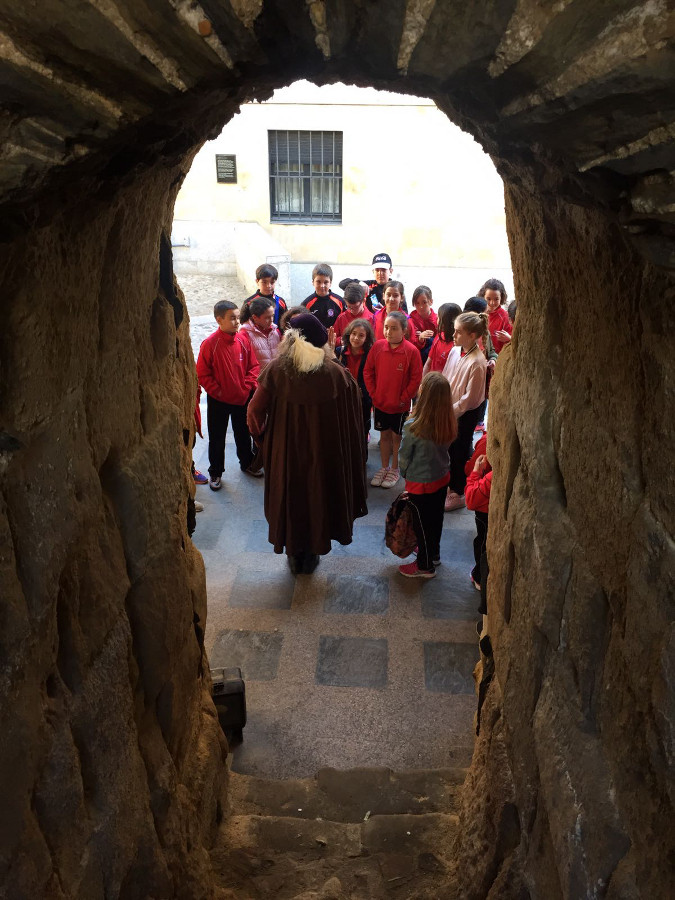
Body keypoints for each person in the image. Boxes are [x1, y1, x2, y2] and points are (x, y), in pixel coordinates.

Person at [247, 313, 367, 574]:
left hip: (286, 451)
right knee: (318, 496)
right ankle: (312, 551)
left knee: (290, 496)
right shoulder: (337, 374)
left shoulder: (277, 370)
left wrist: (266, 442)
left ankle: (293, 552)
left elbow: (254, 412)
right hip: (325, 452)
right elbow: (354, 418)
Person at [397, 372, 458, 578]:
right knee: (435, 519)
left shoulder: (412, 427)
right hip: (441, 478)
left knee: (421, 524)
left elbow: (404, 457)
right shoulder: (448, 422)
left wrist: (404, 474)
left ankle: (424, 565)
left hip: (420, 483)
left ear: (423, 394)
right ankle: (434, 553)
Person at [196, 300, 261, 490]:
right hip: (218, 401)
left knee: (243, 434)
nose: (236, 322)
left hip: (242, 398)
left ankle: (247, 463)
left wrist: (247, 387)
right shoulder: (210, 344)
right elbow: (203, 373)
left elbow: (254, 366)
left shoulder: (242, 340)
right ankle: (215, 471)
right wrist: (218, 392)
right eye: (232, 318)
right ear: (219, 320)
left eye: (238, 318)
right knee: (217, 437)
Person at [364, 310, 423, 489]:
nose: (389, 332)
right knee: (384, 437)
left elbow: (416, 379)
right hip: (381, 403)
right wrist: (374, 394)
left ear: (404, 330)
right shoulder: (378, 347)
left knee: (397, 437)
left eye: (394, 328)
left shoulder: (411, 351)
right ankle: (384, 467)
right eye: (386, 328)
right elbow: (368, 372)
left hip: (400, 406)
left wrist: (404, 398)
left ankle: (395, 469)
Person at [442, 311, 489, 510]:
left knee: (459, 451)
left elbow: (469, 399)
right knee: (449, 449)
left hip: (464, 414)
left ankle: (458, 492)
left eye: (459, 332)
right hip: (450, 409)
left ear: (472, 335)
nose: (454, 336)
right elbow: (446, 376)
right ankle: (450, 484)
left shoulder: (478, 362)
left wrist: (449, 411)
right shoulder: (456, 350)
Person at [465, 440, 492, 615]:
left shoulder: (490, 477)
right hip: (488, 510)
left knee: (482, 544)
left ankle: (480, 577)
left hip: (484, 511)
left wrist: (475, 471)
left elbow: (471, 498)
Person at [339, 317, 375, 446]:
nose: (356, 338)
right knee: (345, 427)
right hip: (345, 397)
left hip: (363, 398)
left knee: (363, 427)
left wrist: (364, 392)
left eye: (361, 335)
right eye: (353, 334)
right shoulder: (340, 352)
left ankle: (362, 456)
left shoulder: (370, 354)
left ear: (367, 338)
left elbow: (371, 378)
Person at [239, 296, 281, 369]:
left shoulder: (276, 331)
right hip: (257, 379)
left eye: (272, 316)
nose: (271, 320)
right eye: (267, 317)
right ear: (255, 317)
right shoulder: (245, 334)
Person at [333, 281, 374, 353]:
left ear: (363, 301)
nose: (352, 310)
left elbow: (374, 342)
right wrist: (341, 340)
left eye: (356, 307)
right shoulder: (342, 317)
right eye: (349, 307)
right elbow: (333, 338)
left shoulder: (372, 319)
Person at [302, 263, 344, 329]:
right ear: (313, 282)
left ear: (330, 283)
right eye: (318, 282)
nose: (322, 286)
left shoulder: (340, 302)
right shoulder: (306, 304)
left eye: (326, 282)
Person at [424, 303, 462, 373]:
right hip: (431, 380)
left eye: (438, 317)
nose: (436, 318)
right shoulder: (439, 336)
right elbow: (428, 363)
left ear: (446, 323)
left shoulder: (457, 347)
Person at [478, 278, 512, 353]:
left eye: (496, 299)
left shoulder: (505, 317)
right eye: (488, 299)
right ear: (483, 296)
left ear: (501, 298)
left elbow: (512, 339)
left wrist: (509, 338)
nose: (492, 303)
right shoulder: (478, 313)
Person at [409, 285, 438, 364]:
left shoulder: (437, 319)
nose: (421, 307)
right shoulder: (411, 319)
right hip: (418, 357)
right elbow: (411, 343)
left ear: (431, 301)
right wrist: (420, 338)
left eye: (424, 302)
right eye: (417, 303)